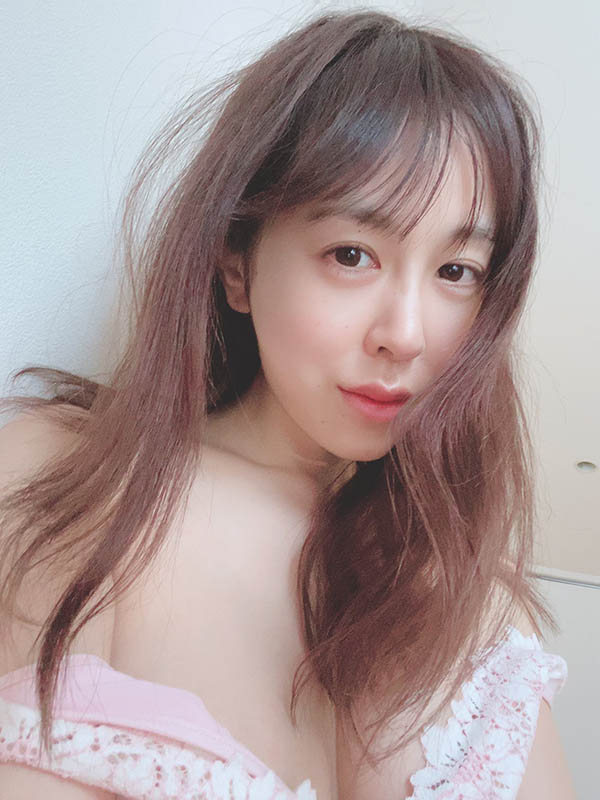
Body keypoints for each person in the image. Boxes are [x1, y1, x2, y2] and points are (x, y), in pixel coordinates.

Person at [0, 8, 575, 800]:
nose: (406, 335)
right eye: (352, 254)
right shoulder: (80, 482)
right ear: (237, 263)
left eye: (457, 272)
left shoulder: (470, 591)